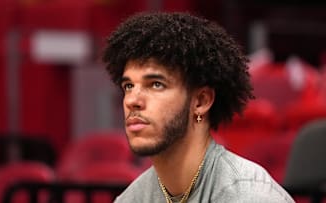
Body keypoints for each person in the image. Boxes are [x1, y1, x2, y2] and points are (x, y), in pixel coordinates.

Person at [102, 12, 294, 203]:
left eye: (156, 84)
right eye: (129, 86)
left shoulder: (249, 195)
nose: (132, 100)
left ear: (201, 102)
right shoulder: (130, 199)